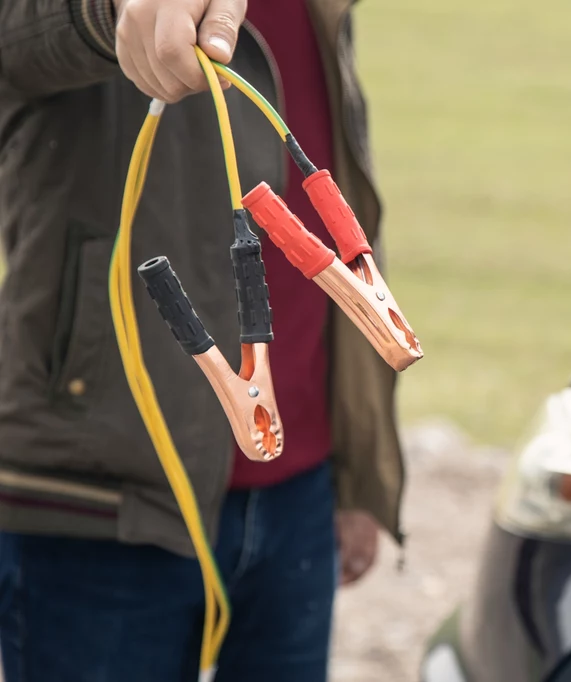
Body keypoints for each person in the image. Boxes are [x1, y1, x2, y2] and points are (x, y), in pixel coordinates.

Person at [0, 0, 406, 679]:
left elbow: (336, 172)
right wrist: (109, 11)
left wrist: (360, 470)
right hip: (102, 499)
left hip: (301, 487)